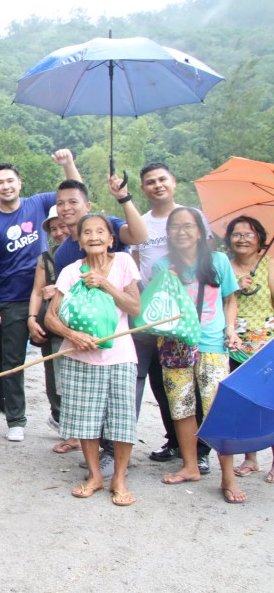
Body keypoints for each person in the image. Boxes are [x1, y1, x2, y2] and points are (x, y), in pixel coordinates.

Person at [0, 150, 81, 441]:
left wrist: (67, 165)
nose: (5, 186)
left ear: (20, 183)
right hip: (11, 300)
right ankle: (16, 419)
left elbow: (76, 196)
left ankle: (61, 417)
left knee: (55, 359)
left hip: (50, 296)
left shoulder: (38, 204)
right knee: (12, 361)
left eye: (10, 180)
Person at [45, 215, 141, 506]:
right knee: (86, 421)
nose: (94, 236)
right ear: (79, 240)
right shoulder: (71, 271)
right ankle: (95, 475)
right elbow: (51, 317)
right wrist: (72, 334)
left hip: (120, 355)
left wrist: (105, 284)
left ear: (112, 239)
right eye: (87, 232)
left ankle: (119, 478)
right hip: (80, 356)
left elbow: (134, 306)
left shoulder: (124, 263)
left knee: (123, 421)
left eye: (101, 231)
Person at [153, 207, 245, 503]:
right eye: (175, 227)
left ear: (200, 231)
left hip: (212, 346)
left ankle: (228, 476)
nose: (181, 231)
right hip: (175, 344)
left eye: (188, 226)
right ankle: (190, 466)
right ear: (168, 233)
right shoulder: (162, 266)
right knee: (182, 408)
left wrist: (230, 329)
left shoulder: (218, 262)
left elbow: (230, 300)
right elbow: (157, 311)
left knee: (218, 409)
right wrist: (165, 283)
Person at [131, 163, 213, 472]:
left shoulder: (192, 216)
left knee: (196, 382)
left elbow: (209, 257)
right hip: (154, 310)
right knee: (162, 380)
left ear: (174, 182)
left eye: (162, 179)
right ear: (143, 188)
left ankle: (201, 449)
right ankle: (175, 441)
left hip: (188, 312)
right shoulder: (142, 222)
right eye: (150, 182)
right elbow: (138, 261)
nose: (157, 185)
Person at [225, 216, 274, 484]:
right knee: (243, 404)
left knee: (270, 403)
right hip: (235, 346)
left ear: (260, 240)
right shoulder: (226, 267)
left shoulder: (269, 265)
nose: (242, 239)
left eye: (249, 234)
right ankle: (250, 459)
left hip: (267, 347)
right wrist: (235, 287)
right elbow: (223, 302)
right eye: (236, 234)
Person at [27, 206, 77, 454]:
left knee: (74, 379)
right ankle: (66, 427)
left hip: (81, 327)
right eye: (53, 229)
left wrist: (58, 289)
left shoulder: (87, 251)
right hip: (53, 325)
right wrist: (32, 318)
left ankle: (78, 432)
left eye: (63, 226)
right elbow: (37, 290)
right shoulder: (46, 258)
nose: (59, 232)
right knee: (54, 379)